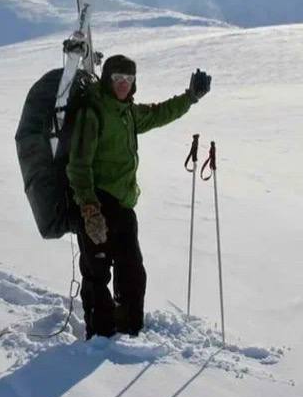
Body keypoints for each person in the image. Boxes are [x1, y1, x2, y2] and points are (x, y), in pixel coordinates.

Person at [66, 54, 212, 339]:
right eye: (118, 79)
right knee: (96, 273)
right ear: (108, 80)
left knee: (132, 269)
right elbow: (78, 166)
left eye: (129, 80)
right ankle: (99, 338)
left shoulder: (127, 113)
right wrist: (90, 210)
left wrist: (190, 97)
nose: (123, 85)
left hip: (123, 205)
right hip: (97, 202)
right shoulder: (94, 113)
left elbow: (159, 113)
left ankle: (129, 327)